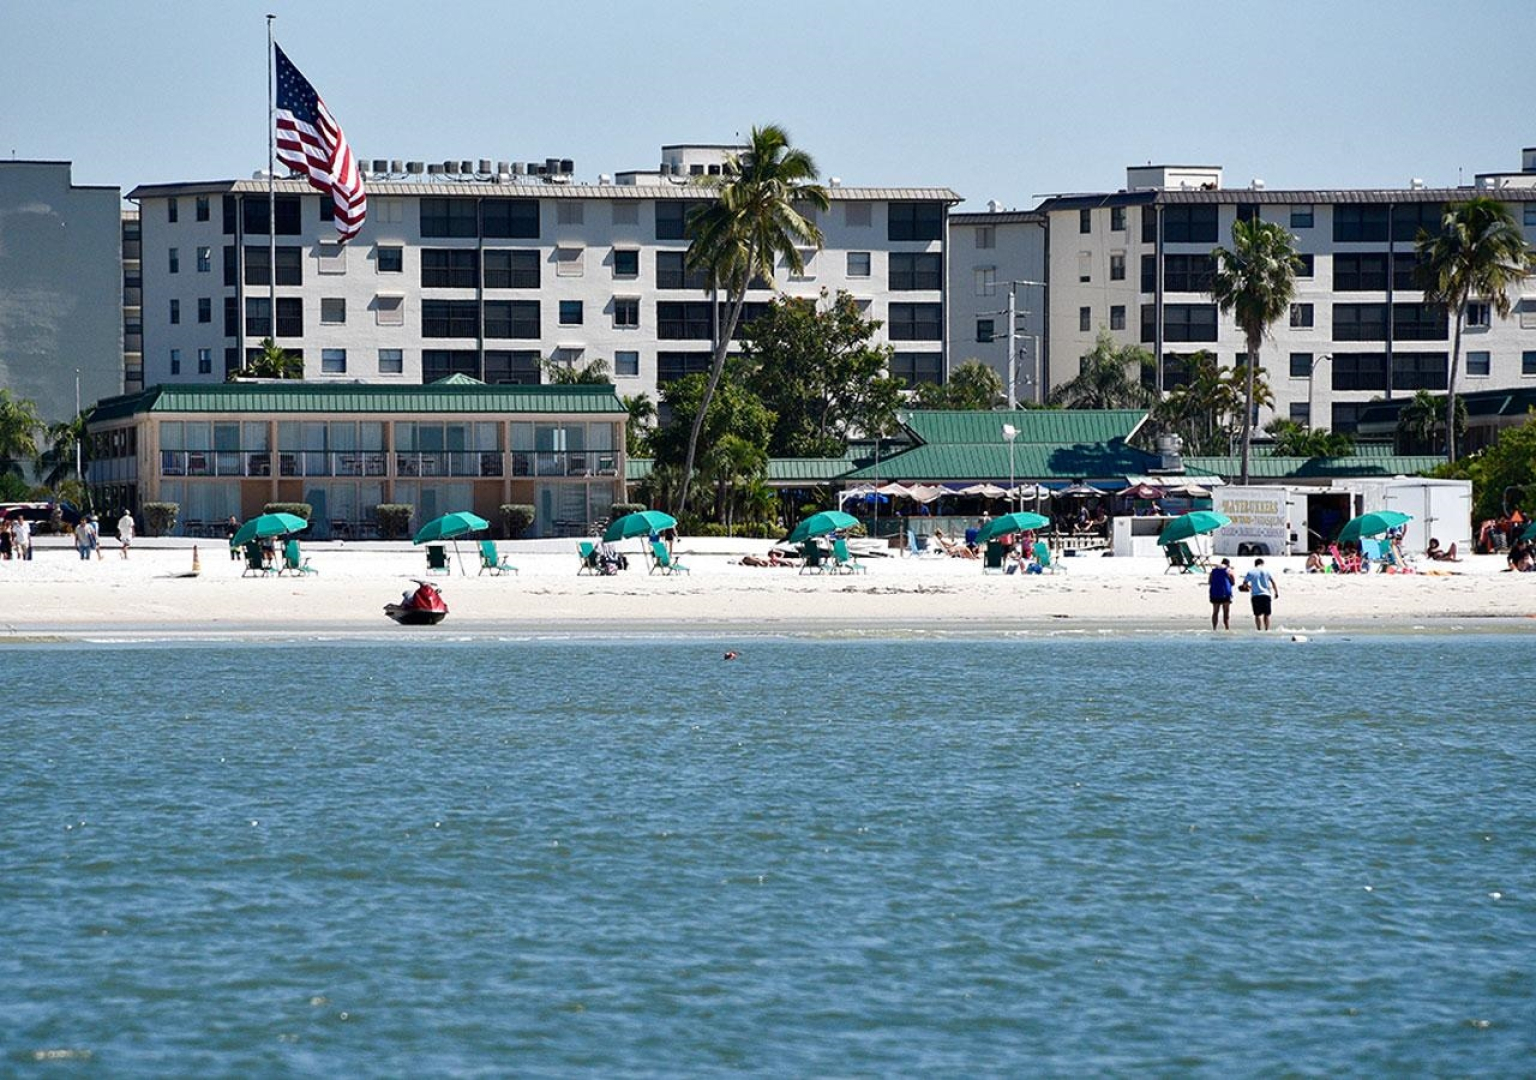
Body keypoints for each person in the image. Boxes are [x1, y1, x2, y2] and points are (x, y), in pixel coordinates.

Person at [1241, 558, 1279, 631]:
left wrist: (1249, 587)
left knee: (1257, 614)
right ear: (1262, 563)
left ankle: (1259, 629)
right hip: (1266, 594)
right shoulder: (1267, 571)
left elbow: (1245, 583)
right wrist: (1276, 592)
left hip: (1256, 595)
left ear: (1255, 564)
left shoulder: (1251, 572)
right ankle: (1267, 629)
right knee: (1267, 614)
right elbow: (1273, 582)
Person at [1208, 558, 1236, 630]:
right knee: (1226, 611)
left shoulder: (1213, 570)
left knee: (1215, 612)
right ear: (1228, 564)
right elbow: (1233, 582)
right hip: (1226, 593)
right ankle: (1227, 627)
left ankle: (1214, 628)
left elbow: (1210, 581)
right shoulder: (1228, 570)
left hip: (1215, 593)